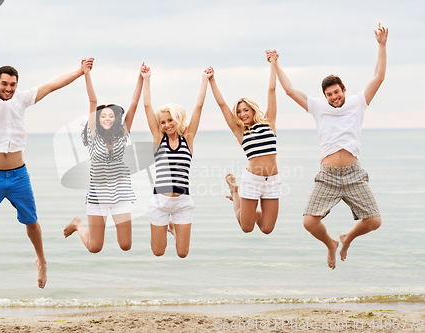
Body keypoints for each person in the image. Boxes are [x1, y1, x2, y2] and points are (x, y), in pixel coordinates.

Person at [0, 6, 91, 300]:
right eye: (4, 84)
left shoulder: (22, 99)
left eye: (13, 85)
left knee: (32, 222)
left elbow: (53, 85)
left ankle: (41, 260)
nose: (9, 89)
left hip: (18, 175)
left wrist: (81, 71)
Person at [271, 23, 388, 269]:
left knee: (374, 221)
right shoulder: (318, 107)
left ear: (344, 90)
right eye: (329, 95)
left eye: (337, 92)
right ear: (324, 97)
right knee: (309, 223)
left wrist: (381, 45)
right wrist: (275, 63)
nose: (334, 97)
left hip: (353, 174)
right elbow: (290, 90)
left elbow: (378, 77)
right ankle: (331, 244)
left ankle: (347, 237)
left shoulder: (358, 103)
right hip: (328, 176)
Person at [63, 60, 143, 252]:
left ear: (115, 119)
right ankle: (78, 224)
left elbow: (134, 104)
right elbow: (92, 101)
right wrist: (86, 73)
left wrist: (141, 77)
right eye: (103, 116)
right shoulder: (93, 136)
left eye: (111, 116)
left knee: (125, 245)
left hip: (121, 193)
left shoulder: (122, 135)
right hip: (98, 195)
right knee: (94, 247)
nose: (107, 118)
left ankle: (81, 224)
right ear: (98, 120)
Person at [140, 64, 210, 258]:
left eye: (170, 120)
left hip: (182, 202)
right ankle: (168, 226)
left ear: (178, 119)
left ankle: (172, 228)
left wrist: (204, 80)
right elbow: (146, 106)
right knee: (158, 252)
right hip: (160, 202)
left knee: (182, 253)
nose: (166, 125)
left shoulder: (187, 139)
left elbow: (198, 107)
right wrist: (146, 79)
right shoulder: (158, 138)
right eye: (162, 122)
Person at [207, 51, 280, 235]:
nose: (242, 115)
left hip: (272, 180)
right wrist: (212, 80)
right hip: (252, 180)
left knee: (267, 229)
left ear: (253, 109)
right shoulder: (241, 132)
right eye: (239, 112)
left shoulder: (269, 122)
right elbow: (223, 105)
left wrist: (273, 63)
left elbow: (271, 89)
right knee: (246, 227)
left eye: (245, 110)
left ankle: (241, 200)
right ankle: (236, 192)